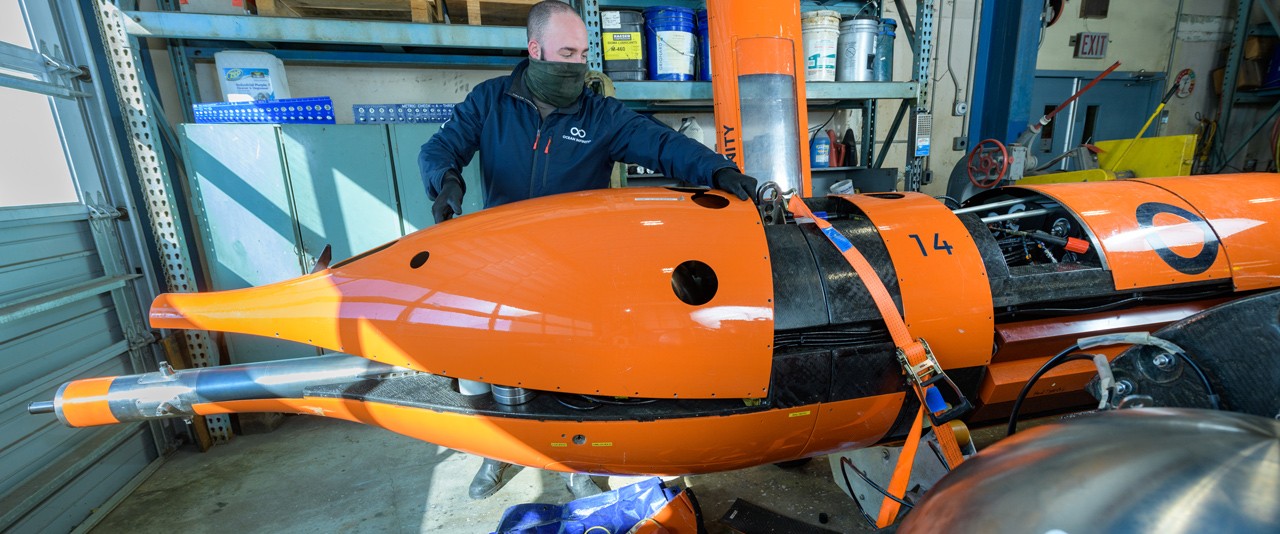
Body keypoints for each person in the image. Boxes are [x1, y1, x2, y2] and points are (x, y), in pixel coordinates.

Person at [417, 1, 759, 502]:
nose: (577, 65)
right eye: (566, 52)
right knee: (486, 362)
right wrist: (445, 182)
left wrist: (720, 172)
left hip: (578, 269)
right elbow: (440, 148)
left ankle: (580, 460)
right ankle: (499, 451)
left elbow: (663, 144)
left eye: (582, 53)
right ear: (534, 50)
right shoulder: (489, 102)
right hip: (504, 262)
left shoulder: (602, 115)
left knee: (575, 372)